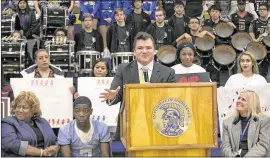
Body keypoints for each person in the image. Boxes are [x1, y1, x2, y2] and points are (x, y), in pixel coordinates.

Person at [99, 32, 176, 140]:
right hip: (130, 127)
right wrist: (113, 97)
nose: (144, 51)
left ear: (154, 51)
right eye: (140, 48)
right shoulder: (123, 69)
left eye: (148, 48)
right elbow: (116, 94)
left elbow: (172, 100)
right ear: (134, 51)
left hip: (159, 127)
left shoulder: (168, 72)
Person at [1, 91, 58, 157]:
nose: (20, 110)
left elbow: (55, 140)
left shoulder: (42, 122)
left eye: (24, 107)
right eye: (18, 107)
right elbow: (12, 144)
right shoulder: (7, 122)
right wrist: (41, 152)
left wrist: (54, 149)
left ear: (33, 110)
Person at [221, 90, 270, 157]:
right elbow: (225, 146)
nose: (238, 101)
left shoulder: (264, 121)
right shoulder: (227, 123)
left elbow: (263, 145)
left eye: (243, 99)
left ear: (252, 103)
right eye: (239, 98)